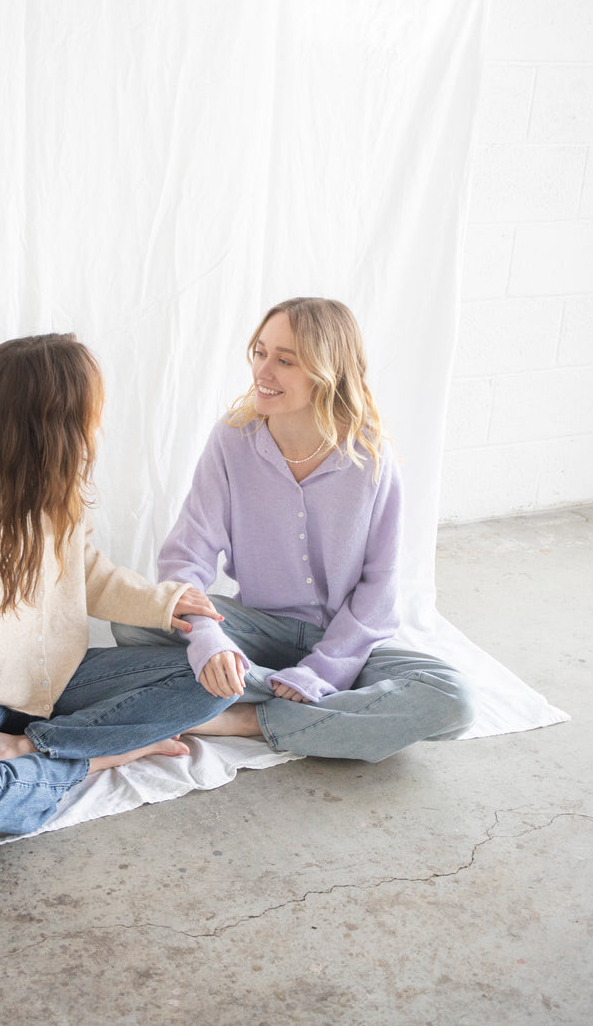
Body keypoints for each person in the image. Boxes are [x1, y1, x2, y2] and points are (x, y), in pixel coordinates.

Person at [0, 333, 235, 838]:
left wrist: (164, 602)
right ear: (56, 415)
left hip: (57, 679)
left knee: (213, 678)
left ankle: (30, 745)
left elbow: (89, 575)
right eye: (93, 404)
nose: (99, 419)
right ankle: (107, 753)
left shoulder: (59, 483)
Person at [113, 297, 474, 762]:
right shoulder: (232, 441)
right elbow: (188, 555)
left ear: (328, 372)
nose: (263, 371)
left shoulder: (370, 459)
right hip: (260, 629)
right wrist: (209, 638)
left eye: (285, 361)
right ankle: (282, 694)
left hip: (348, 643)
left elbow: (380, 591)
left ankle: (246, 716)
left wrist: (322, 670)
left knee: (452, 700)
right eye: (260, 352)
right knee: (133, 618)